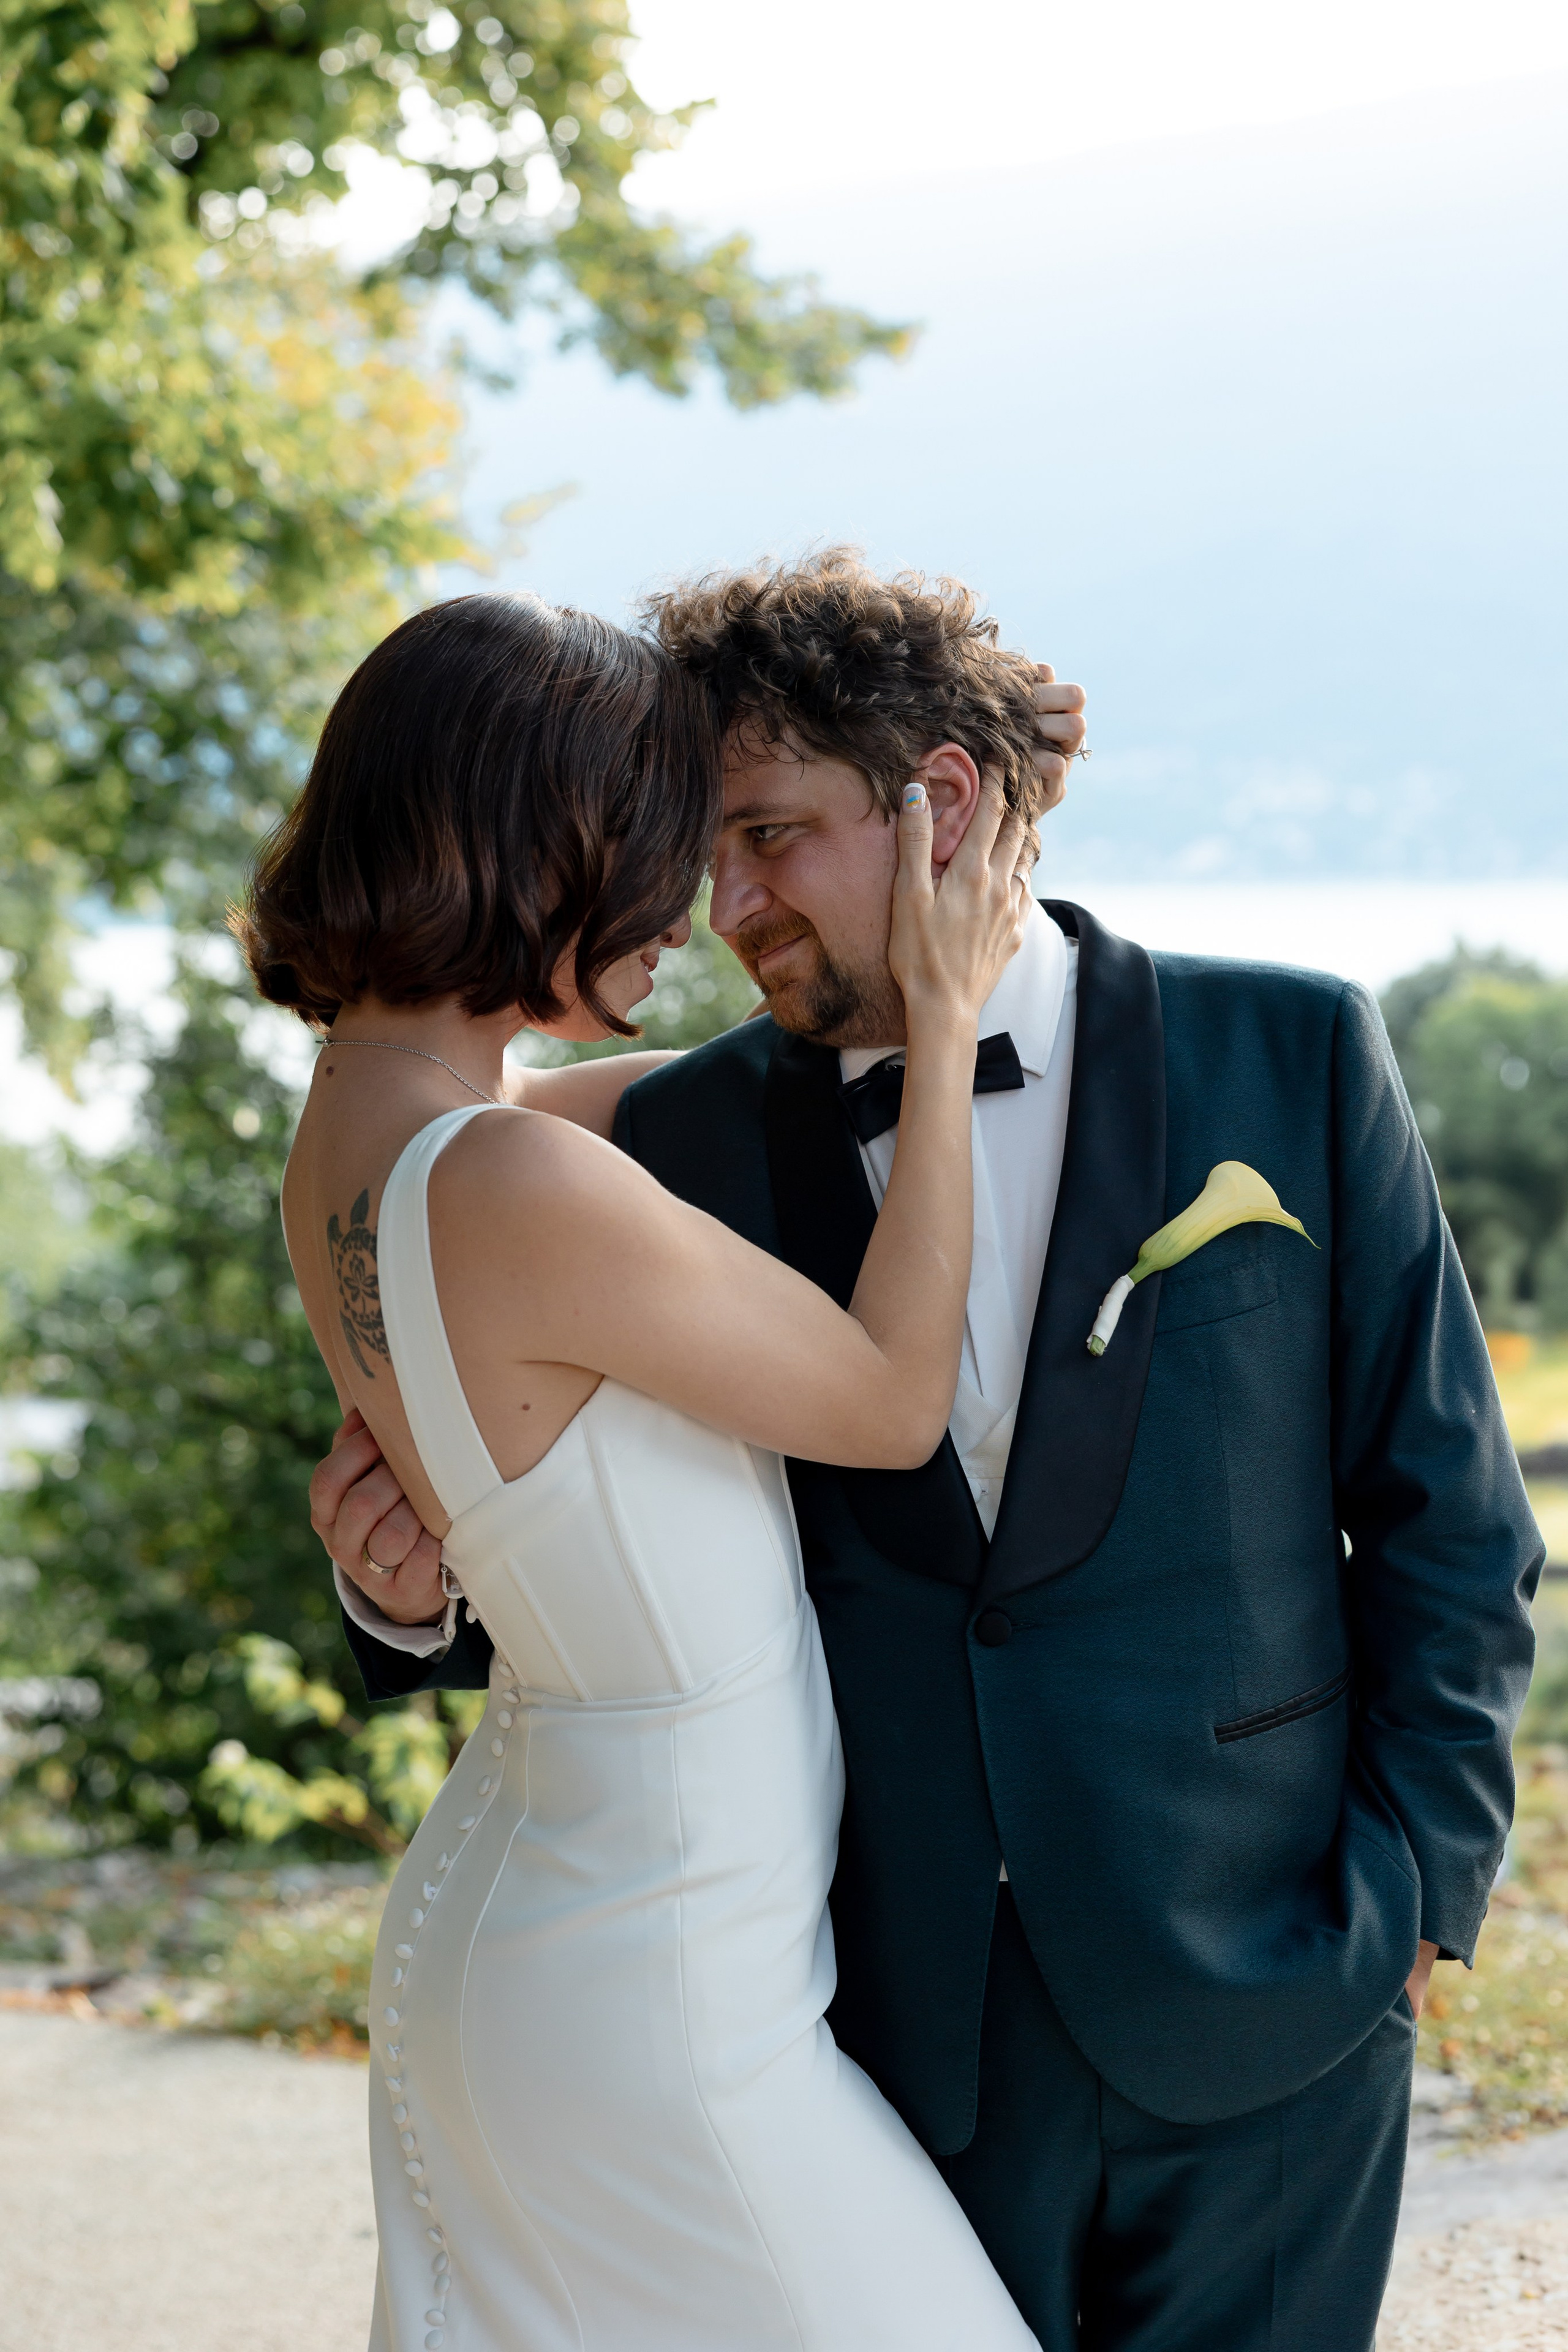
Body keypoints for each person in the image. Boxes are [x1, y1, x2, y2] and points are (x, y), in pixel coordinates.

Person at [320, 551, 1543, 2352]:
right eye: (704, 853)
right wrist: (405, 1589)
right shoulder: (667, 1146)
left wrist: (1418, 1897)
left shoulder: (1291, 1052)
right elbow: (480, 1347)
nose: (726, 905)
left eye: (768, 837)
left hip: (1274, 1991)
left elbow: (1448, 1519)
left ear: (943, 805)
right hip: (898, 2036)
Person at [240, 587, 1048, 2350]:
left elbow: (717, 1084)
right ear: (537, 839)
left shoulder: (372, 1137)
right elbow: (889, 1403)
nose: (693, 912)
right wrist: (944, 1018)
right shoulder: (517, 1178)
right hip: (659, 1982)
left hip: (566, 1915)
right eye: (662, 846)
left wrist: (904, 929)